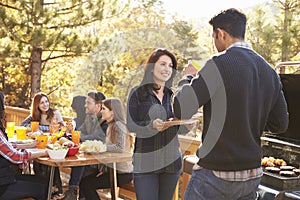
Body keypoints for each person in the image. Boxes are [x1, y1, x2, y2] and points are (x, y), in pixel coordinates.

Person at [173, 8, 289, 200]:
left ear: (221, 34)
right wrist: (251, 114)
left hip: (216, 175)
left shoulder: (218, 64)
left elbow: (181, 108)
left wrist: (187, 78)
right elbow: (280, 124)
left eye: (214, 37)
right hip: (251, 175)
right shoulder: (269, 71)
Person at [126, 48, 192, 200]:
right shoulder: (137, 92)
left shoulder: (173, 95)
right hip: (146, 164)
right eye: (163, 64)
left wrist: (186, 126)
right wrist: (151, 125)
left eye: (170, 66)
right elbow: (130, 125)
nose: (167, 69)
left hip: (171, 163)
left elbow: (177, 128)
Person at [79, 98, 133, 199]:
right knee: (84, 182)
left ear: (112, 112)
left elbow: (120, 148)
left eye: (103, 109)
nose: (101, 111)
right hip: (112, 170)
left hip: (123, 173)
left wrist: (100, 148)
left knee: (86, 184)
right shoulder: (111, 126)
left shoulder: (119, 125)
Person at [0, 91, 48, 200]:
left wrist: (30, 144)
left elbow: (6, 146)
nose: (5, 107)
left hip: (4, 178)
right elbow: (14, 156)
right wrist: (45, 152)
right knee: (42, 187)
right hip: (2, 186)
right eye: (3, 104)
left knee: (43, 181)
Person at [62, 90, 108, 200]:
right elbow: (80, 133)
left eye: (88, 103)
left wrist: (73, 138)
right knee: (79, 159)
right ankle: (74, 193)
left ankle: (73, 192)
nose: (85, 105)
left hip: (103, 162)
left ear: (98, 105)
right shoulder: (90, 118)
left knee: (80, 161)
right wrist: (69, 134)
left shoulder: (105, 120)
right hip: (90, 157)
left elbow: (95, 137)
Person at [21, 92, 65, 198]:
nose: (45, 104)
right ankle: (43, 188)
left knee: (49, 161)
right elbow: (22, 125)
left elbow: (60, 128)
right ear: (37, 105)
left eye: (46, 101)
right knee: (37, 162)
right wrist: (41, 128)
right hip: (40, 143)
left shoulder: (54, 113)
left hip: (53, 143)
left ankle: (57, 188)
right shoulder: (35, 115)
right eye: (41, 103)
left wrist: (40, 128)